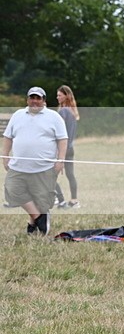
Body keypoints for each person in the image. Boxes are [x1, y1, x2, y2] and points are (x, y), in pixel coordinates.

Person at [2, 86, 68, 235]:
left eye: (38, 98)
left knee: (42, 199)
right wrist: (5, 156)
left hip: (44, 167)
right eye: (32, 98)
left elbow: (62, 139)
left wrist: (61, 160)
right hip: (18, 166)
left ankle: (33, 222)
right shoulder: (18, 115)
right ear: (27, 99)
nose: (35, 101)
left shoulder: (54, 117)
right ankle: (39, 217)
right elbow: (8, 137)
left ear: (44, 101)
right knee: (12, 191)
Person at [54, 85, 80, 208]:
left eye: (59, 95)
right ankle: (74, 201)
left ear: (66, 96)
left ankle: (58, 199)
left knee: (49, 174)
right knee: (70, 175)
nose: (57, 97)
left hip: (62, 148)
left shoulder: (63, 111)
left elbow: (59, 130)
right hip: (71, 148)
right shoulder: (72, 111)